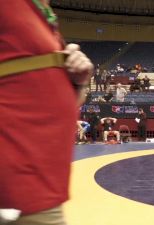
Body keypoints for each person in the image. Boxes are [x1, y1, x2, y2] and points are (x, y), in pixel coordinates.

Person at [0, 1, 93, 224]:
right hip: (16, 179)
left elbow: (39, 90)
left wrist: (76, 83)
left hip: (38, 181)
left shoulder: (40, 12)